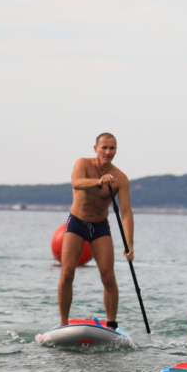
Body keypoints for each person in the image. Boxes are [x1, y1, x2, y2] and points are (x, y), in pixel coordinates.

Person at [58, 132, 134, 328]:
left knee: (108, 276)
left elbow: (125, 213)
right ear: (96, 149)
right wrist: (98, 181)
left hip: (100, 226)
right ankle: (63, 323)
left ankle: (112, 324)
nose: (108, 152)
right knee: (67, 273)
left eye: (112, 148)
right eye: (104, 148)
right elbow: (76, 183)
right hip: (76, 223)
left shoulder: (121, 178)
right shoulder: (83, 164)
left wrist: (129, 243)